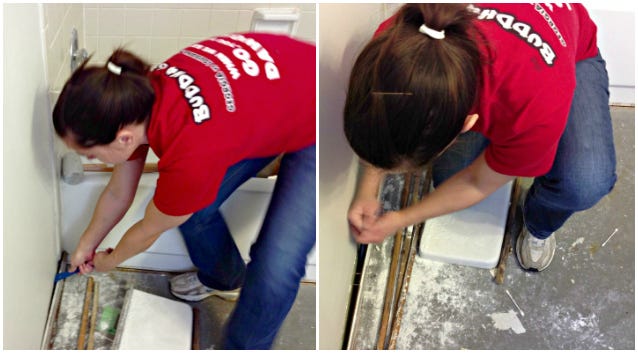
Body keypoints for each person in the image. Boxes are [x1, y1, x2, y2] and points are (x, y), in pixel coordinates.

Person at [53, 32, 316, 349]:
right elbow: (118, 192)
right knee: (190, 209)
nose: (91, 160)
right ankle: (223, 279)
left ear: (122, 137)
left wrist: (111, 261)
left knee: (275, 267)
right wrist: (87, 243)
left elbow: (149, 230)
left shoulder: (189, 154)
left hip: (322, 112)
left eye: (92, 154)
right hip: (270, 99)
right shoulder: (135, 100)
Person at [344, 3, 616, 272]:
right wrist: (368, 190)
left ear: (467, 124)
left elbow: (477, 182)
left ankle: (538, 224)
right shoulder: (397, 43)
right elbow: (381, 118)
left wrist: (400, 219)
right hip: (504, 71)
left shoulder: (537, 105)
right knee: (448, 179)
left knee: (584, 182)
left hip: (571, 53)